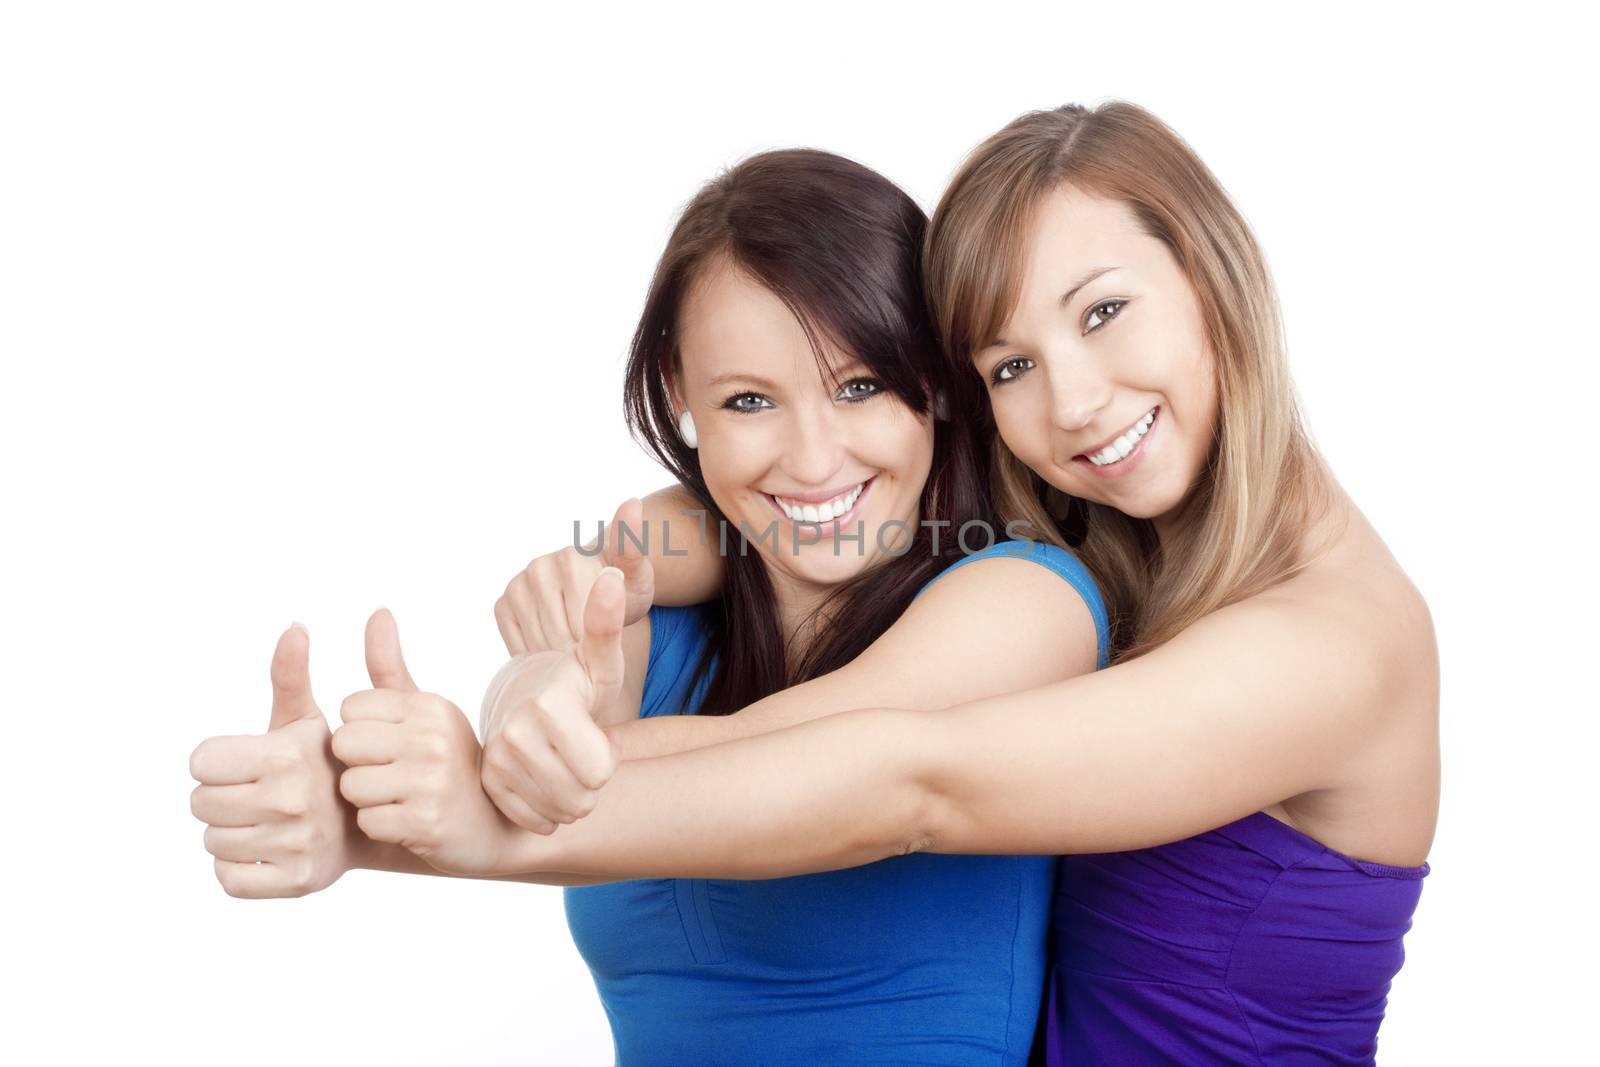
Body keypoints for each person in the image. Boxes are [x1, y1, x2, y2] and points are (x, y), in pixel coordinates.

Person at [439, 102, 1440, 1065]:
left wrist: (464, 814)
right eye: (1010, 367)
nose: (1076, 402)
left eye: (1103, 310)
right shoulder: (1130, 544)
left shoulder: (1329, 642)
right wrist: (621, 558)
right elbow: (803, 501)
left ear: (1215, 274)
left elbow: (916, 783)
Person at [189, 148, 1111, 1065]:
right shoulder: (652, 608)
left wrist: (427, 800)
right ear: (680, 395)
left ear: (938, 384)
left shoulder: (1027, 602)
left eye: (861, 385)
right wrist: (501, 712)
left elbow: (807, 757)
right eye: (749, 399)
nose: (814, 457)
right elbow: (563, 721)